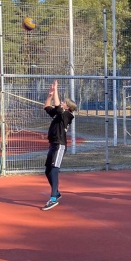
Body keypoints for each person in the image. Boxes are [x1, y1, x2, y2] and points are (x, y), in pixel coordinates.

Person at [42, 80, 77, 210]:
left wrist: (56, 89)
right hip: (52, 144)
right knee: (47, 170)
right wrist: (50, 95)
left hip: (59, 145)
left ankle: (53, 198)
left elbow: (57, 106)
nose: (62, 102)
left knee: (54, 168)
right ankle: (56, 192)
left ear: (67, 107)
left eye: (64, 102)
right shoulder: (58, 114)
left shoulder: (68, 115)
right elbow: (46, 107)